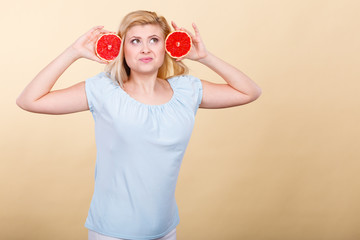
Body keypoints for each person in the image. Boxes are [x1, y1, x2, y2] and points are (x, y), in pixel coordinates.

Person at [16, 10, 261, 240]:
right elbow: (29, 100)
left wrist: (206, 57)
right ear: (122, 49)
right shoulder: (104, 90)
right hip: (112, 231)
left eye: (154, 40)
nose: (145, 48)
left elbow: (249, 92)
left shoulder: (187, 90)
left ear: (167, 46)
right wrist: (73, 52)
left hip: (164, 229)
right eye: (135, 41)